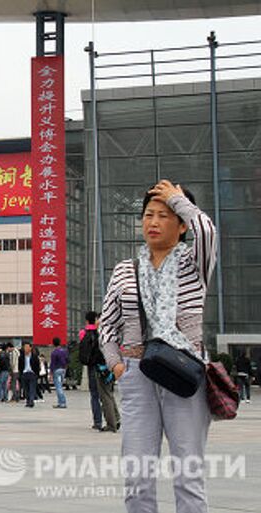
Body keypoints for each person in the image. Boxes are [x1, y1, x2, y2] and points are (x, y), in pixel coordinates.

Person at [100, 180, 216, 513]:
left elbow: (207, 232)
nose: (153, 222)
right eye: (148, 214)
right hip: (137, 375)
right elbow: (107, 325)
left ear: (181, 225)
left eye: (165, 215)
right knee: (137, 477)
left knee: (188, 476)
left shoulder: (194, 264)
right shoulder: (125, 270)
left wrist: (178, 199)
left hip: (185, 372)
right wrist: (118, 367)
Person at [80, 312, 104, 430]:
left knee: (94, 395)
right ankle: (112, 418)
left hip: (90, 366)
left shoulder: (83, 333)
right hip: (103, 366)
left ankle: (97, 421)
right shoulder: (100, 332)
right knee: (105, 394)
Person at [18, 342, 39, 407]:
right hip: (24, 374)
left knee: (32, 388)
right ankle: (28, 401)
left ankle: (31, 401)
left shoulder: (34, 356)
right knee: (26, 389)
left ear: (30, 348)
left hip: (32, 373)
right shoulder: (21, 357)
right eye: (25, 347)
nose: (26, 349)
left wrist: (36, 374)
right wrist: (21, 374)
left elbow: (37, 366)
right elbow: (20, 366)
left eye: (27, 347)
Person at [50, 337, 68, 409]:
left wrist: (51, 373)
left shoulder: (54, 352)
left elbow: (53, 363)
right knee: (60, 386)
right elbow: (67, 359)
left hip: (57, 370)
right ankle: (60, 402)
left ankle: (62, 402)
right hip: (63, 369)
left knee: (58, 387)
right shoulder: (64, 351)